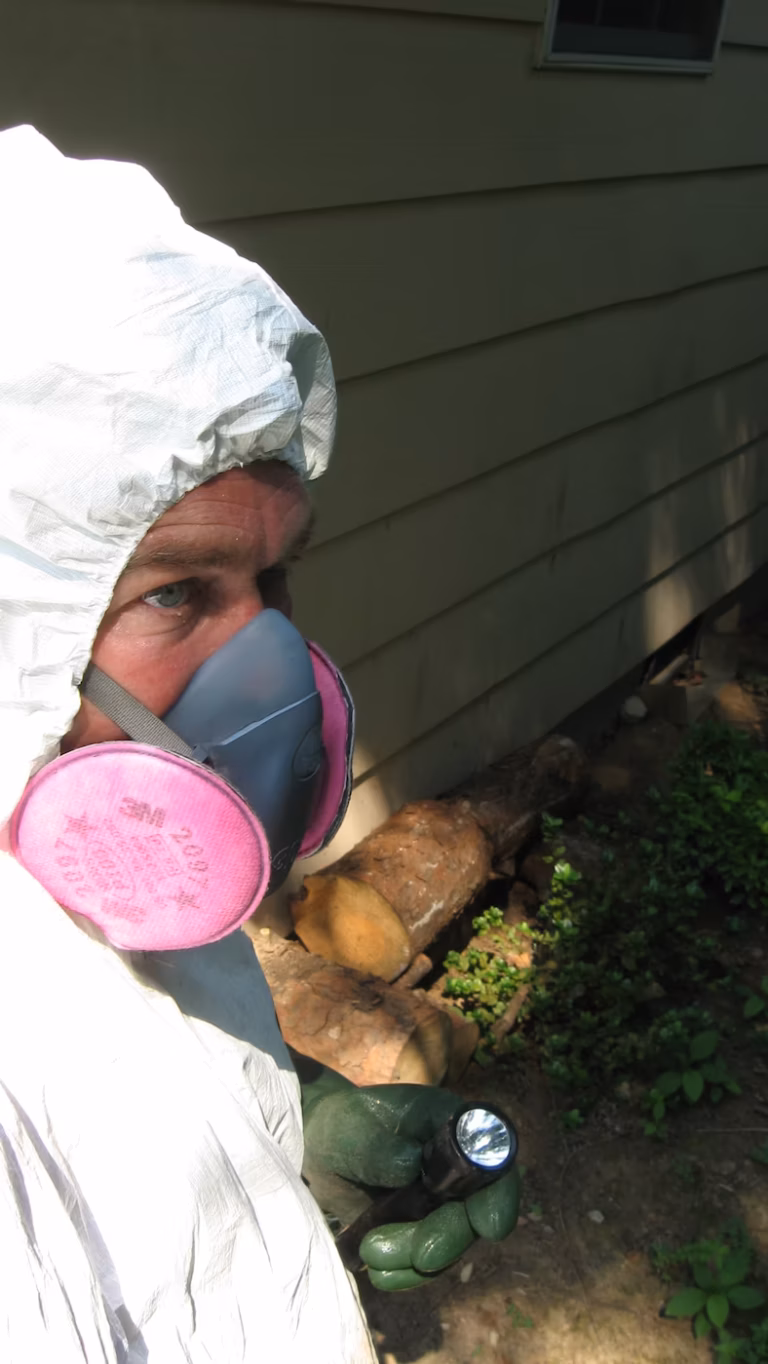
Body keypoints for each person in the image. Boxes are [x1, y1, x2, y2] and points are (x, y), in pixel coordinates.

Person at [0, 126, 519, 1362]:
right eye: (176, 592)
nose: (272, 662)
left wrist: (295, 1153)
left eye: (274, 575)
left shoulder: (89, 882)